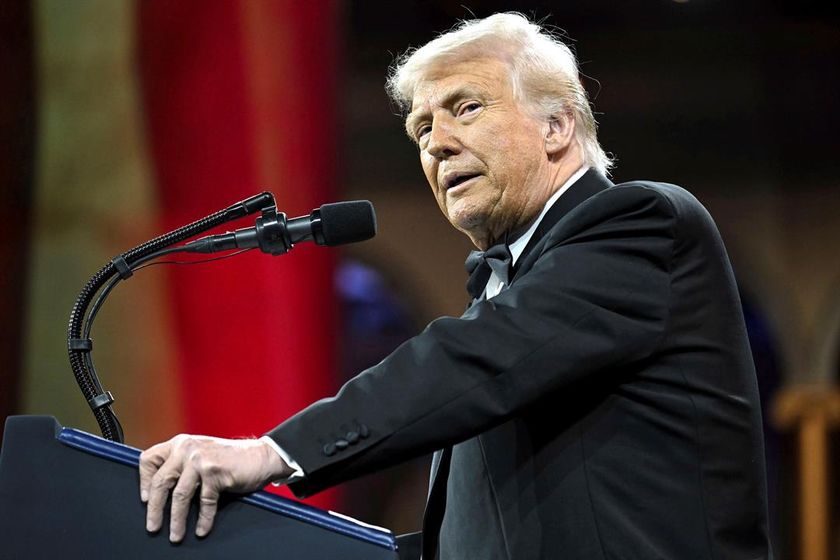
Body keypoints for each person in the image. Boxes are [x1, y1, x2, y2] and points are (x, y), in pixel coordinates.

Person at [139, 13, 774, 559]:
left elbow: (480, 358)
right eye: (421, 130)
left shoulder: (640, 224)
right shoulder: (506, 292)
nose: (438, 144)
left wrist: (273, 453)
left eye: (466, 108)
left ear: (557, 126)